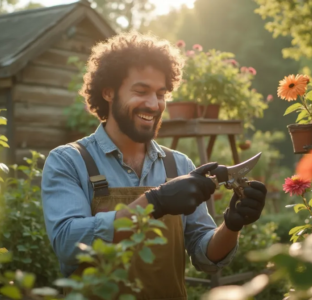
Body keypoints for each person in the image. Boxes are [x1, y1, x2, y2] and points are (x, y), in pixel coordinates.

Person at [41, 32, 267, 299]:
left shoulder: (179, 164)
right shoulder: (69, 160)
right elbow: (69, 243)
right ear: (108, 92)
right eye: (141, 91)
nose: (153, 104)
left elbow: (205, 256)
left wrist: (232, 224)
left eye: (161, 94)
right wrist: (155, 202)